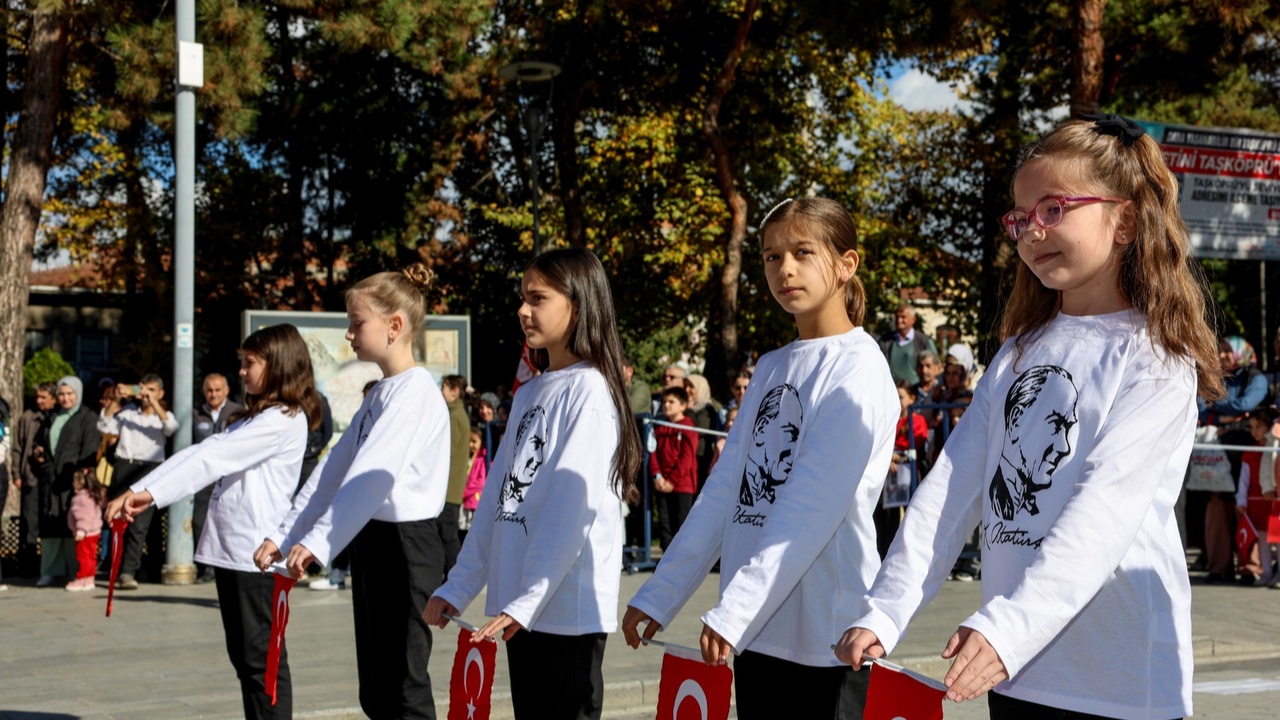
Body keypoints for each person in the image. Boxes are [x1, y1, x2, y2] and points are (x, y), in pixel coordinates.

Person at [836, 114, 1225, 719]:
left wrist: (1006, 629)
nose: (1031, 232)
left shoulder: (1155, 357)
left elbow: (1104, 512)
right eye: (1020, 219)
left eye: (1052, 210)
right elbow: (951, 488)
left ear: (1124, 220)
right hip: (1020, 679)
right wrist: (887, 607)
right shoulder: (1019, 352)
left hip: (1122, 682)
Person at [622, 197, 897, 719]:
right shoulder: (771, 366)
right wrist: (662, 594)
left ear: (846, 264)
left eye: (802, 251)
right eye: (771, 256)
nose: (784, 268)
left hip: (827, 639)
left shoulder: (860, 368)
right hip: (755, 635)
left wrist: (734, 609)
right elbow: (725, 492)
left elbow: (810, 508)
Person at [424, 247, 643, 720]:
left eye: (537, 298)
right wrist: (459, 585)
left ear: (580, 304)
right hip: (521, 609)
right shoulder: (531, 392)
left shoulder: (590, 390)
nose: (523, 310)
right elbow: (498, 503)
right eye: (523, 297)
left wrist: (527, 601)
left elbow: (570, 509)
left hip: (565, 611)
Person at [255, 264, 450, 720]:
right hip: (374, 542)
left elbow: (371, 478)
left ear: (395, 325)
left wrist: (318, 541)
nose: (348, 333)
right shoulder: (381, 393)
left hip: (407, 546)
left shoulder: (416, 393)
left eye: (357, 322)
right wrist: (286, 535)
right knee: (377, 687)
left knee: (404, 686)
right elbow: (333, 471)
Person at [106, 324, 322, 720]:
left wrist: (148, 493)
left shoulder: (281, 420)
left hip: (256, 557)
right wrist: (147, 489)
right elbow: (207, 451)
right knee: (246, 661)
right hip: (234, 553)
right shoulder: (255, 417)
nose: (241, 371)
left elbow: (211, 457)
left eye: (250, 363)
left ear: (278, 366)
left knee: (262, 665)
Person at [99, 373, 179, 589]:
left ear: (161, 393)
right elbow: (105, 427)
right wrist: (116, 400)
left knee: (140, 524)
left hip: (150, 468)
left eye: (152, 390)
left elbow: (171, 427)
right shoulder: (127, 412)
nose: (145, 394)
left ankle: (128, 572)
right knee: (119, 519)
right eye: (143, 389)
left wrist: (154, 403)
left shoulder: (162, 416)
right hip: (125, 465)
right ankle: (117, 567)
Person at [35, 376, 101, 587]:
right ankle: (50, 570)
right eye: (61, 394)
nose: (65, 398)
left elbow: (90, 449)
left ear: (78, 394)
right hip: (52, 478)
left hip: (74, 481)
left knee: (75, 524)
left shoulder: (87, 417)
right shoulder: (53, 416)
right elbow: (43, 440)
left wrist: (80, 477)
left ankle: (78, 571)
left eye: (70, 393)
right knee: (52, 523)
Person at [192, 372, 247, 584]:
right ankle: (206, 569)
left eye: (217, 390)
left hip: (228, 476)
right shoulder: (196, 414)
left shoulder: (239, 412)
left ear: (226, 391)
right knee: (200, 522)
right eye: (209, 390)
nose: (213, 394)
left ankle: (226, 565)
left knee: (227, 521)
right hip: (204, 477)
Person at [12, 383, 55, 576]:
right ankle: (28, 564)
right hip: (30, 476)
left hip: (50, 479)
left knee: (48, 519)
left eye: (44, 397)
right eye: (37, 397)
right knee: (29, 522)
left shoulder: (56, 418)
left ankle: (49, 563)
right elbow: (17, 447)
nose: (39, 401)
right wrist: (16, 473)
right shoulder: (27, 418)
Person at [650, 386, 699, 550]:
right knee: (664, 521)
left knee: (681, 522)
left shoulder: (688, 427)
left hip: (682, 484)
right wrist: (657, 476)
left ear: (683, 405)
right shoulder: (659, 427)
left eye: (672, 402)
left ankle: (681, 558)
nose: (667, 405)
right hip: (662, 483)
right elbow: (653, 452)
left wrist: (672, 480)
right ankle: (665, 559)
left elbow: (687, 457)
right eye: (664, 401)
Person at [1236, 409, 1277, 585]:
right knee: (1262, 539)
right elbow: (1243, 479)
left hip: (1274, 500)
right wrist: (1241, 500)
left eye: (1258, 426)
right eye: (1251, 427)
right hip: (1255, 502)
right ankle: (1266, 572)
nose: (1254, 431)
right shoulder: (1249, 451)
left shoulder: (1274, 446)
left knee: (1277, 538)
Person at [440, 374, 470, 577]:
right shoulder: (453, 414)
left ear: (455, 391)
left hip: (449, 487)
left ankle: (455, 575)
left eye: (444, 387)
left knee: (447, 534)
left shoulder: (455, 416)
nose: (440, 391)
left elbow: (445, 452)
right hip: (449, 485)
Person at [65, 468, 105, 591]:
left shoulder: (81, 498)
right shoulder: (93, 495)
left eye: (74, 480)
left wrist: (81, 530)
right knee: (91, 556)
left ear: (82, 481)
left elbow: (84, 516)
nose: (72, 483)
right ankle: (89, 578)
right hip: (94, 532)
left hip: (84, 533)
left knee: (83, 557)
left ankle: (81, 578)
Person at [878, 303, 938, 385]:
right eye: (897, 317)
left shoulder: (923, 341)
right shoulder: (885, 341)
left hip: (915, 393)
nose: (899, 321)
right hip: (891, 390)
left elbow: (936, 367)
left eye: (903, 317)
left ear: (913, 320)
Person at [459, 426, 488, 542]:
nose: (471, 445)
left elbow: (480, 483)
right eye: (469, 441)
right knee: (462, 529)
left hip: (473, 501)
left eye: (474, 441)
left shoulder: (483, 458)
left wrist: (463, 492)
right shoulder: (468, 457)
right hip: (466, 502)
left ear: (481, 442)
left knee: (470, 531)